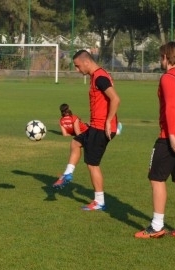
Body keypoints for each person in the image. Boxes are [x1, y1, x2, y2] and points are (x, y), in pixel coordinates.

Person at [135, 42, 175, 238]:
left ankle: (157, 226)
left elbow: (170, 108)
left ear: (166, 57)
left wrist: (170, 135)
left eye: (161, 57)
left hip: (171, 136)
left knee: (156, 179)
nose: (160, 60)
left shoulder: (168, 77)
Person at [68, 50, 120, 211]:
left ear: (86, 62)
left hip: (100, 128)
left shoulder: (100, 77)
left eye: (77, 66)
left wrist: (109, 120)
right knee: (76, 142)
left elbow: (115, 98)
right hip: (95, 126)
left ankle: (99, 201)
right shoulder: (98, 75)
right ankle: (67, 174)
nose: (77, 70)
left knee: (92, 164)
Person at [53, 103, 89, 189]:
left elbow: (65, 134)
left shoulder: (61, 120)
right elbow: (78, 133)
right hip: (86, 130)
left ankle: (67, 173)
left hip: (77, 132)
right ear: (68, 109)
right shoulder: (74, 117)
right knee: (90, 124)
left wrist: (71, 132)